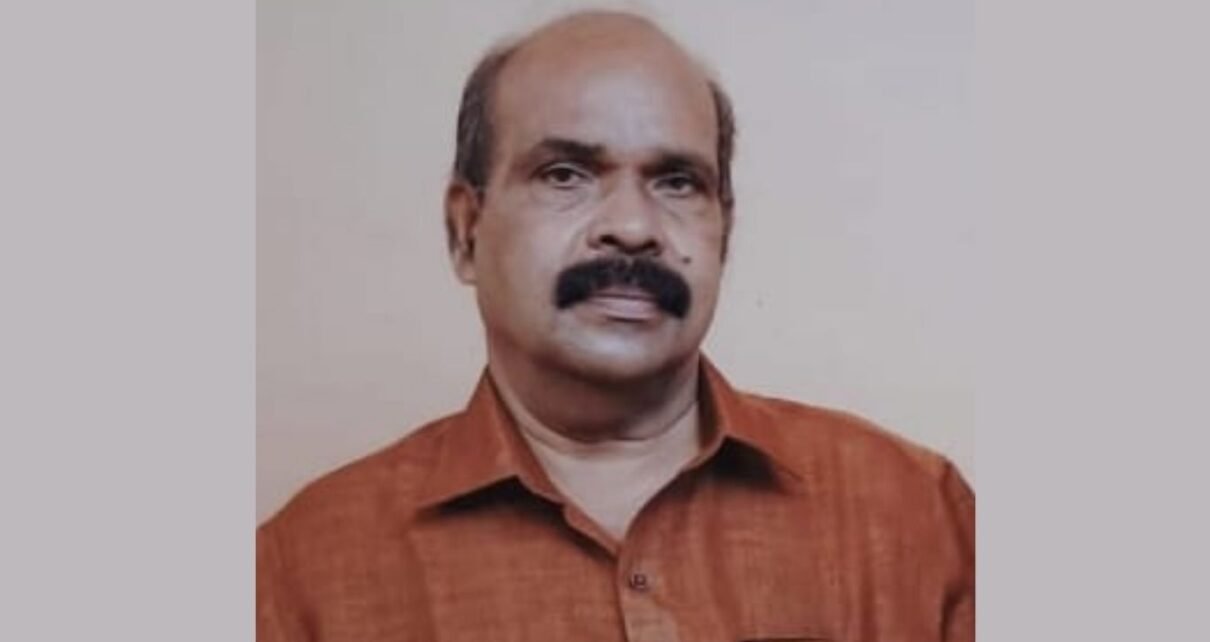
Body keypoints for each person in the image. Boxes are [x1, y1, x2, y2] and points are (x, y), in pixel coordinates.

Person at [257, 10, 974, 642]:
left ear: (725, 233)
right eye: (565, 174)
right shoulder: (300, 576)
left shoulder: (916, 515)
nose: (633, 227)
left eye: (677, 182)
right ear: (465, 231)